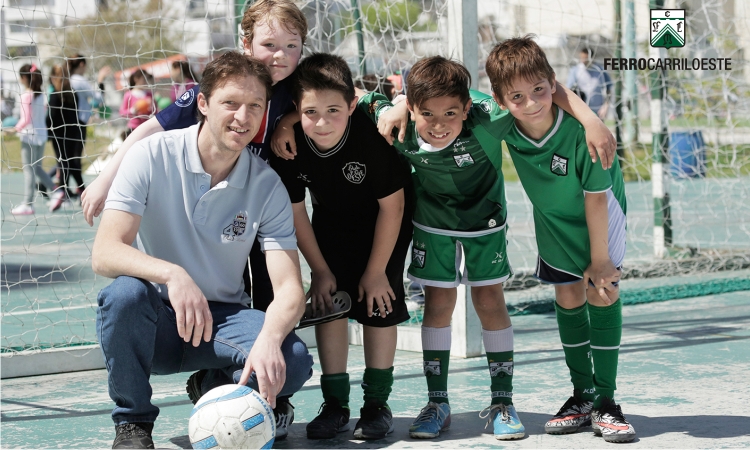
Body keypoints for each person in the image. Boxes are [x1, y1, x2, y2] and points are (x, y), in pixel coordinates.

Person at [273, 55, 616, 441]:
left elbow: (547, 91)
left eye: (451, 113)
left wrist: (590, 119)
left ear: (466, 109)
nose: (438, 126)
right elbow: (351, 94)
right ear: (412, 109)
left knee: (489, 301)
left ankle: (503, 402)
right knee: (437, 306)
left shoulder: (487, 117)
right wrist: (289, 119)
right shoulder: (394, 122)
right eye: (427, 115)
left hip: (484, 221)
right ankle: (437, 402)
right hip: (432, 223)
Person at [81, 0, 315, 437]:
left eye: (254, 107)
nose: (242, 117)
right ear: (203, 103)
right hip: (161, 322)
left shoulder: (266, 184)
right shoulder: (151, 155)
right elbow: (104, 253)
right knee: (124, 296)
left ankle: (217, 382)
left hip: (224, 320)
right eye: (230, 104)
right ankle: (132, 424)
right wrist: (172, 275)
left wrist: (266, 340)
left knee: (294, 360)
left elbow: (289, 289)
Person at [80, 0, 306, 315]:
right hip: (227, 201)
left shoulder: (298, 82)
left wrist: (289, 121)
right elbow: (151, 128)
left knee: (275, 290)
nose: (280, 54)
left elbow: (343, 96)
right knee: (228, 286)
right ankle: (222, 351)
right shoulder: (221, 85)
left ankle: (267, 347)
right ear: (246, 43)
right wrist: (105, 180)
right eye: (269, 44)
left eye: (291, 45)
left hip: (265, 200)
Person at [487, 36, 634, 443]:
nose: (532, 101)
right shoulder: (501, 123)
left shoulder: (582, 135)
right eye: (517, 95)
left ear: (552, 83)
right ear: (502, 100)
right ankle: (582, 395)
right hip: (552, 220)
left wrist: (601, 259)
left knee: (601, 290)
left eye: (539, 89)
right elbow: (455, 98)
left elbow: (596, 202)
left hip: (599, 215)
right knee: (568, 295)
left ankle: (607, 401)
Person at [272, 53, 414, 441]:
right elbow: (296, 210)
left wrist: (375, 271)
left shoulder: (370, 135)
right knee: (328, 303)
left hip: (386, 224)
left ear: (352, 103)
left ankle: (376, 406)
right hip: (331, 220)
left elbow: (394, 206)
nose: (322, 121)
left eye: (334, 109)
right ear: (296, 110)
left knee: (377, 304)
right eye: (311, 111)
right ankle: (335, 404)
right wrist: (318, 271)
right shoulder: (290, 143)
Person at [8, 64, 56, 215]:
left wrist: (13, 130)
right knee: (37, 168)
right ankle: (57, 191)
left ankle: (28, 204)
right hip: (42, 136)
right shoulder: (42, 95)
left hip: (29, 136)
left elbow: (26, 119)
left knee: (29, 170)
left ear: (23, 78)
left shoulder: (26, 96)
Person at [47, 64, 85, 212]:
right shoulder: (72, 93)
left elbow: (52, 117)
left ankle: (63, 192)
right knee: (69, 162)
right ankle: (74, 191)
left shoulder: (56, 95)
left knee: (63, 162)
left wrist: (48, 130)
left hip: (60, 134)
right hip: (73, 132)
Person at [566, 47, 612, 119]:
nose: (583, 61)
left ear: (592, 58)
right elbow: (568, 91)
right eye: (582, 58)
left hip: (598, 112)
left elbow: (609, 89)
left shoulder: (601, 71)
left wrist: (606, 106)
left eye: (585, 58)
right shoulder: (575, 71)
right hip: (581, 112)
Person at [119, 68, 156, 136]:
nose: (146, 81)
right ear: (136, 79)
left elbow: (155, 112)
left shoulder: (149, 95)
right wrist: (132, 111)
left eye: (147, 79)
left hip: (147, 128)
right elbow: (122, 113)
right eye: (144, 79)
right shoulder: (128, 95)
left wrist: (150, 107)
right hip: (133, 128)